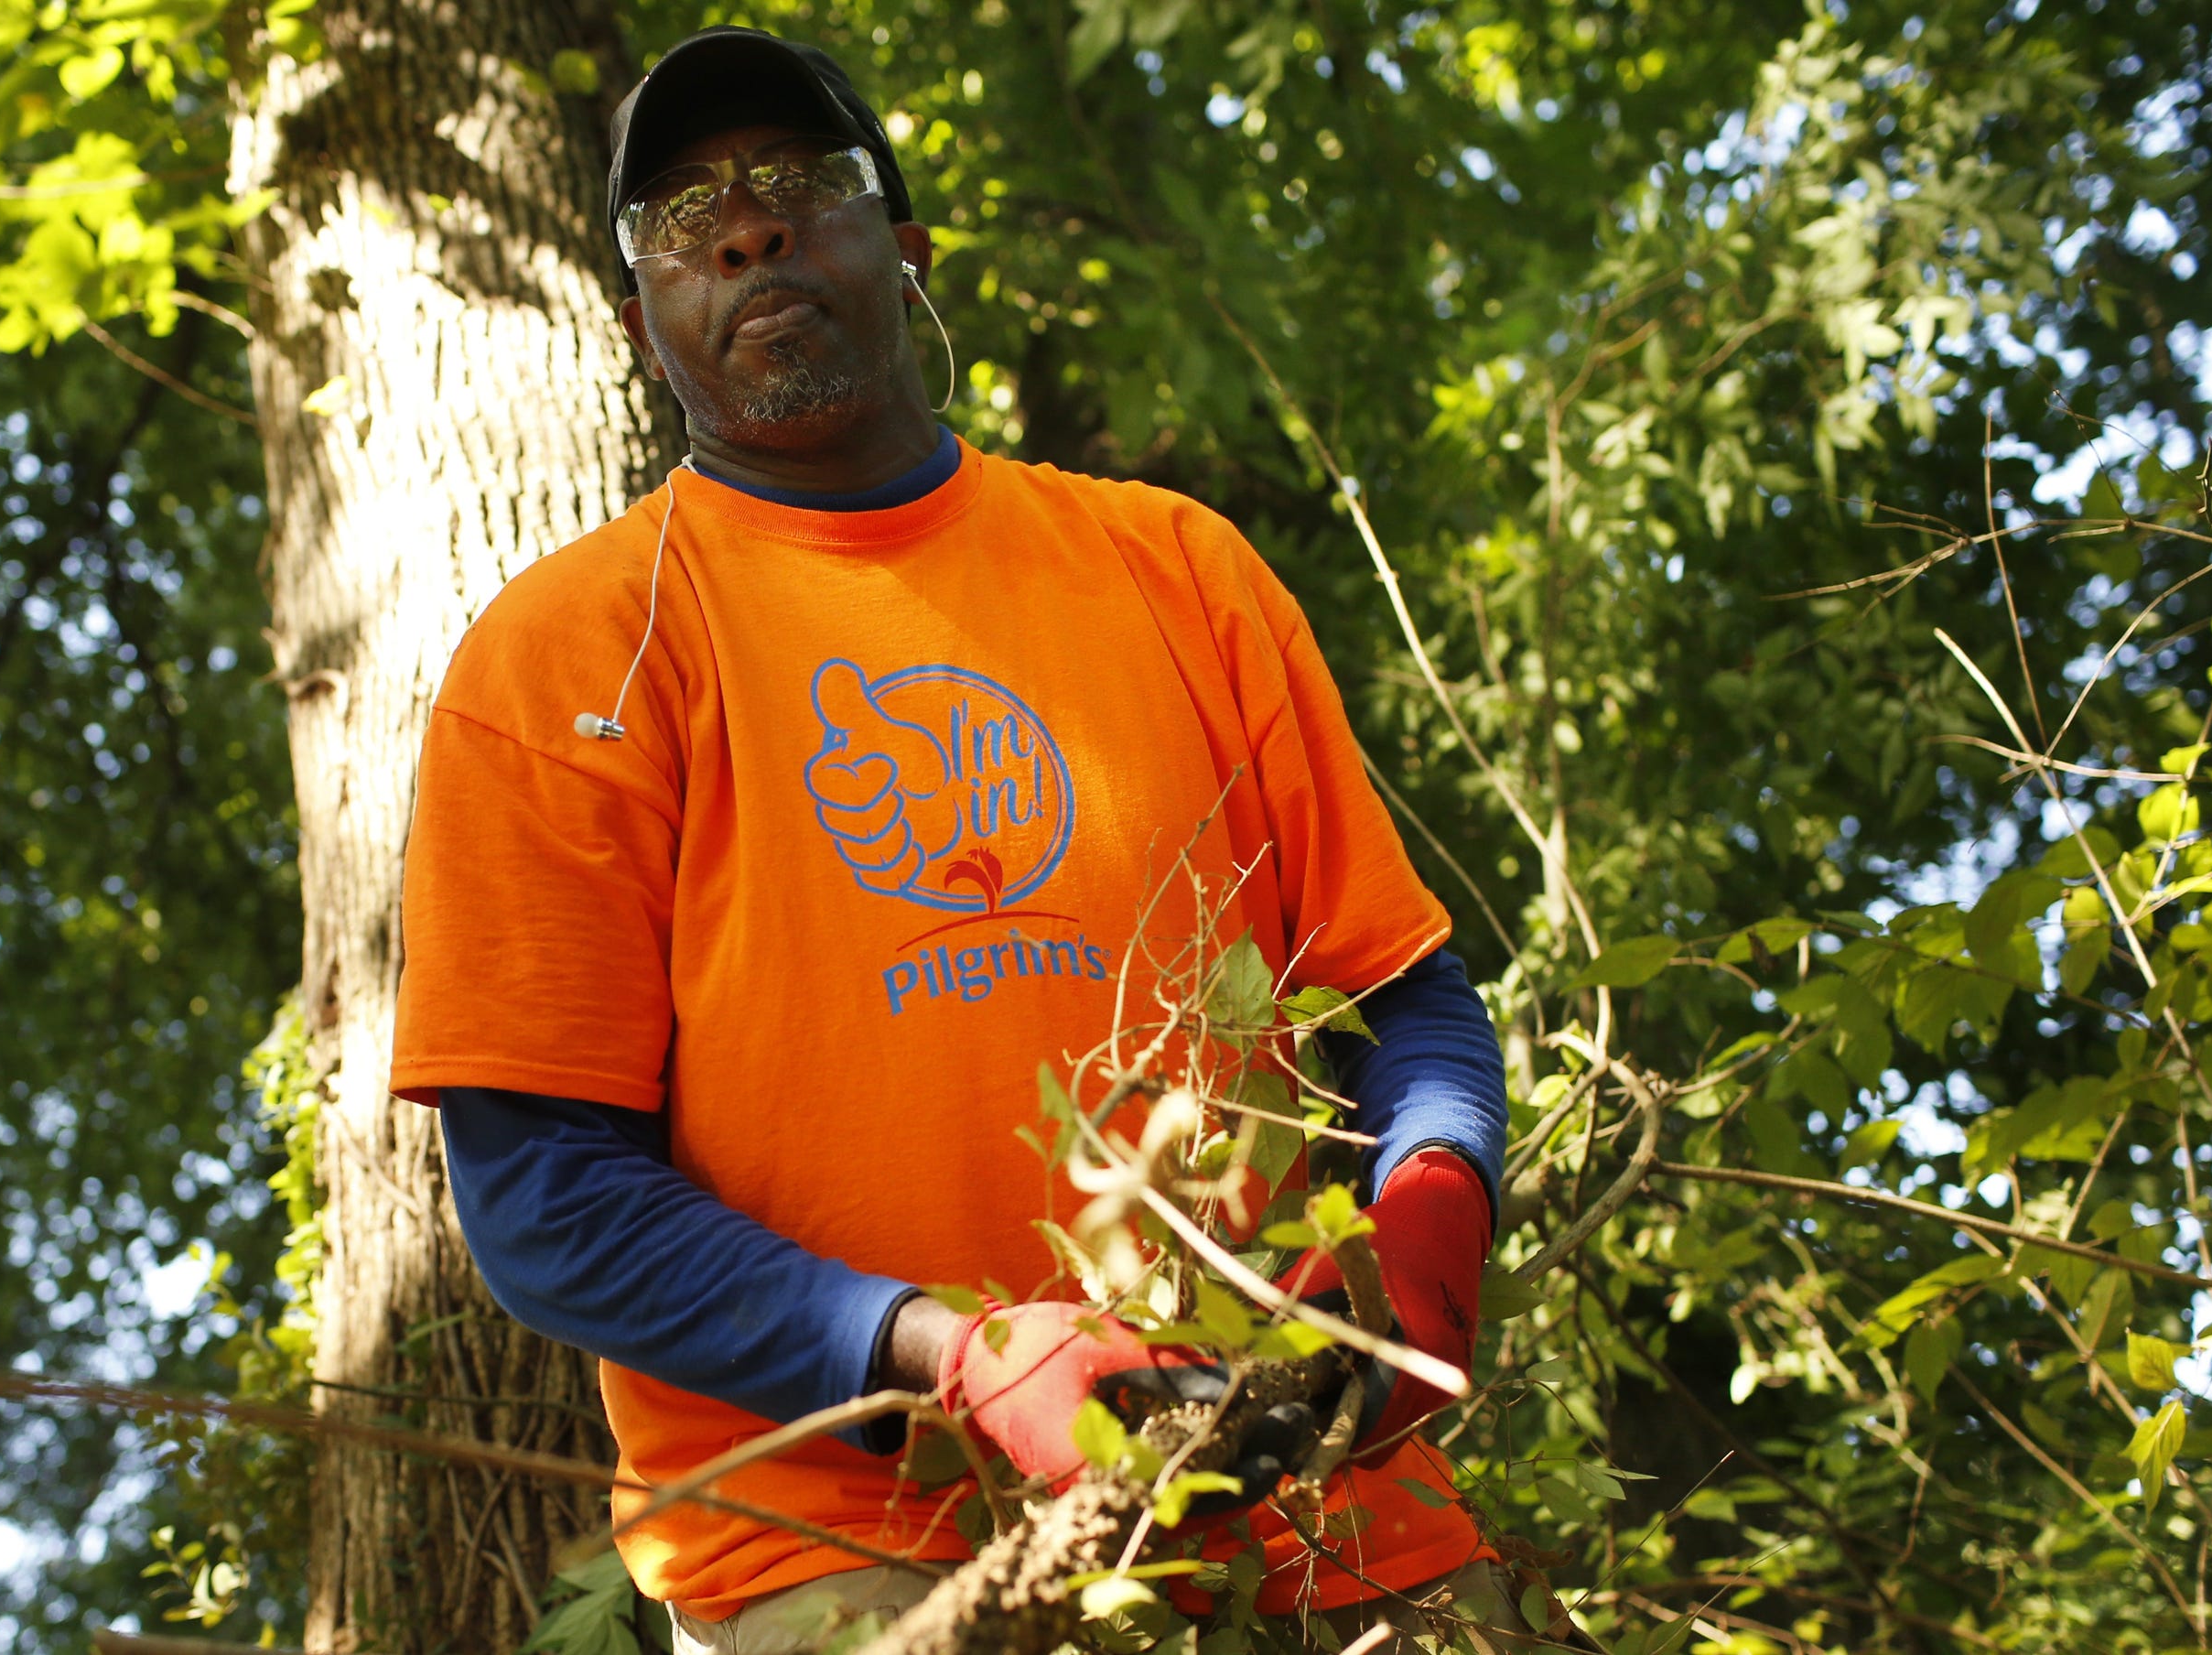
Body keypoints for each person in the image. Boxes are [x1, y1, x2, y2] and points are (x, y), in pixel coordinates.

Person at [390, 26, 1520, 1652]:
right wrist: (943, 1350)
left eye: (800, 181)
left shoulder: (1175, 568)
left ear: (904, 251)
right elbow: (541, 1196)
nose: (748, 224)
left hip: (1315, 1488)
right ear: (643, 324)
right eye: (683, 214)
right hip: (852, 1553)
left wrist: (1427, 1214)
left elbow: (1402, 994)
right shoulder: (570, 655)